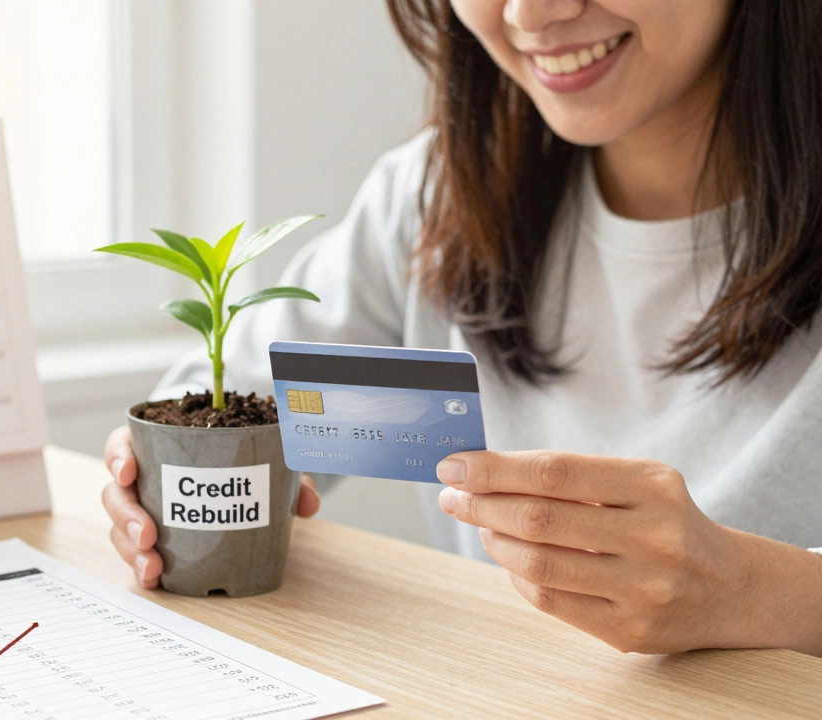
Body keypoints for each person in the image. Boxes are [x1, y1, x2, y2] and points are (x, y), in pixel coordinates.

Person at [102, 0, 822, 656]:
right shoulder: (436, 197)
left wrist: (755, 592)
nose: (533, 14)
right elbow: (234, 397)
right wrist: (148, 474)